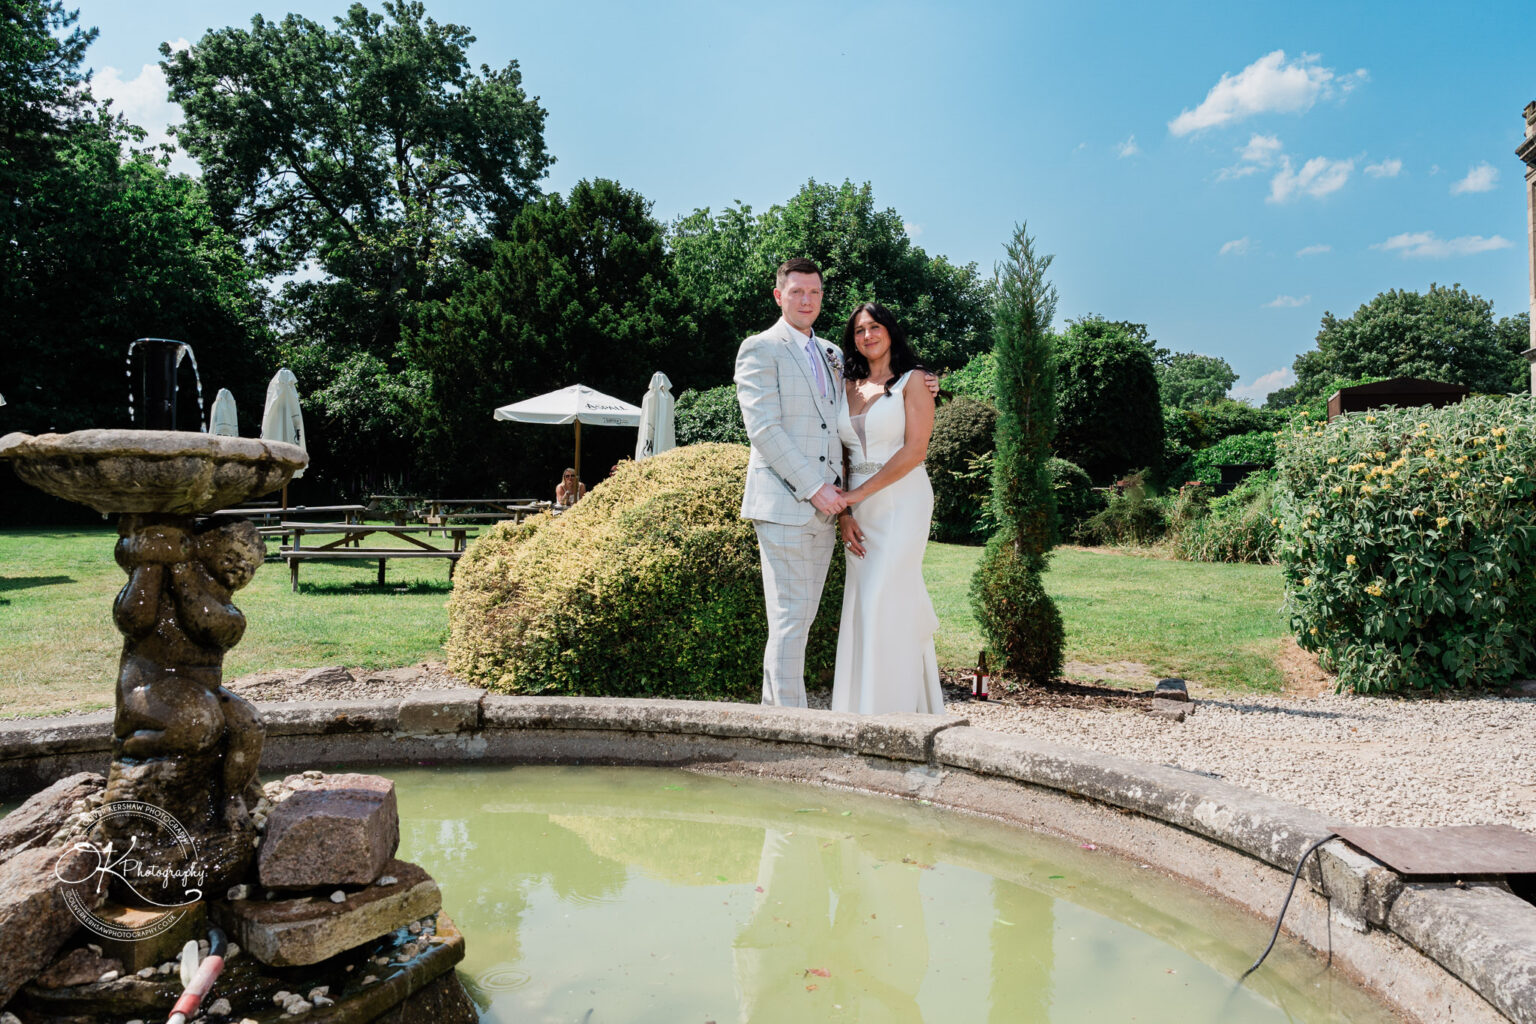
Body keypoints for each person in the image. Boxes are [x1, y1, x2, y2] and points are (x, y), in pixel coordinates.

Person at [736, 259, 939, 706]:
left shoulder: (831, 355)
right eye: (796, 292)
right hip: (790, 504)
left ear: (822, 297)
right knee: (790, 620)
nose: (806, 300)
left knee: (806, 618)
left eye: (814, 292)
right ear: (778, 296)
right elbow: (765, 429)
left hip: (843, 508)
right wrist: (817, 489)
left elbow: (847, 430)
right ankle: (788, 728)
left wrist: (924, 379)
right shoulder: (759, 348)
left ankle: (853, 708)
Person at [832, 302, 943, 714]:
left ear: (890, 331)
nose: (867, 336)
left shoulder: (915, 382)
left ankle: (894, 712)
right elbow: (840, 455)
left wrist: (856, 497)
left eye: (875, 327)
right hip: (857, 509)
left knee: (884, 597)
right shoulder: (846, 386)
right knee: (863, 603)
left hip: (902, 502)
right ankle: (859, 707)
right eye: (859, 331)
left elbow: (915, 451)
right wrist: (845, 513)